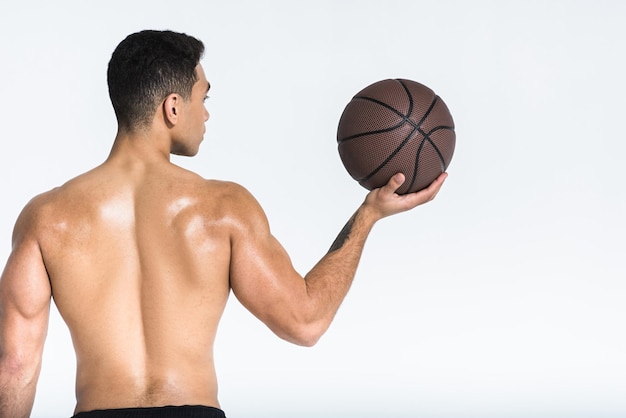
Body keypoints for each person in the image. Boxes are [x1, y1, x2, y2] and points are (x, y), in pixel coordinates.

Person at [0, 30, 447, 418]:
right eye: (203, 97)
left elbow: (14, 366)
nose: (207, 113)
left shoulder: (48, 217)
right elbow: (305, 322)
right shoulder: (223, 207)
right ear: (173, 107)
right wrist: (368, 215)